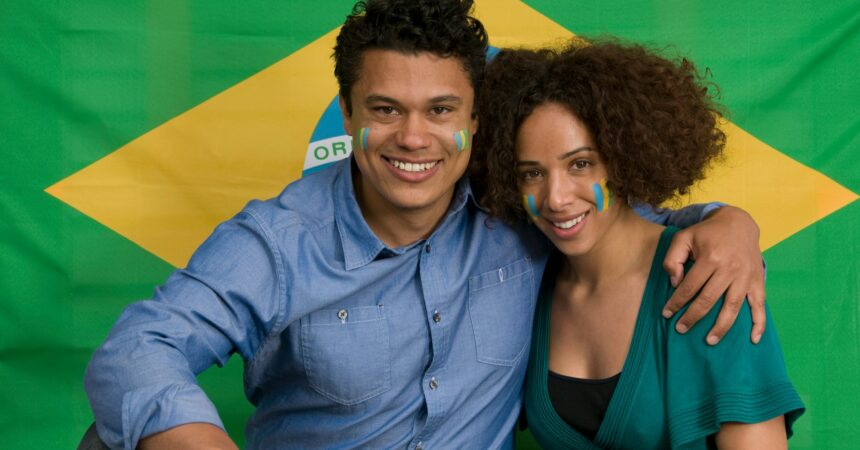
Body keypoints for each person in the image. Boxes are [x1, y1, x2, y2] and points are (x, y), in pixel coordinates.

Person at [84, 1, 768, 449]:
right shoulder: (279, 240)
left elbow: (619, 217)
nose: (415, 138)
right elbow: (138, 348)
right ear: (348, 117)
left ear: (476, 120)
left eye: (441, 111)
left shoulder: (518, 207)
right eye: (385, 109)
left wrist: (729, 222)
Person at [473, 40, 805, 448]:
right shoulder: (532, 285)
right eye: (532, 174)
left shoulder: (709, 277)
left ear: (625, 158)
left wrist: (735, 221)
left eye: (580, 164)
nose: (556, 198)